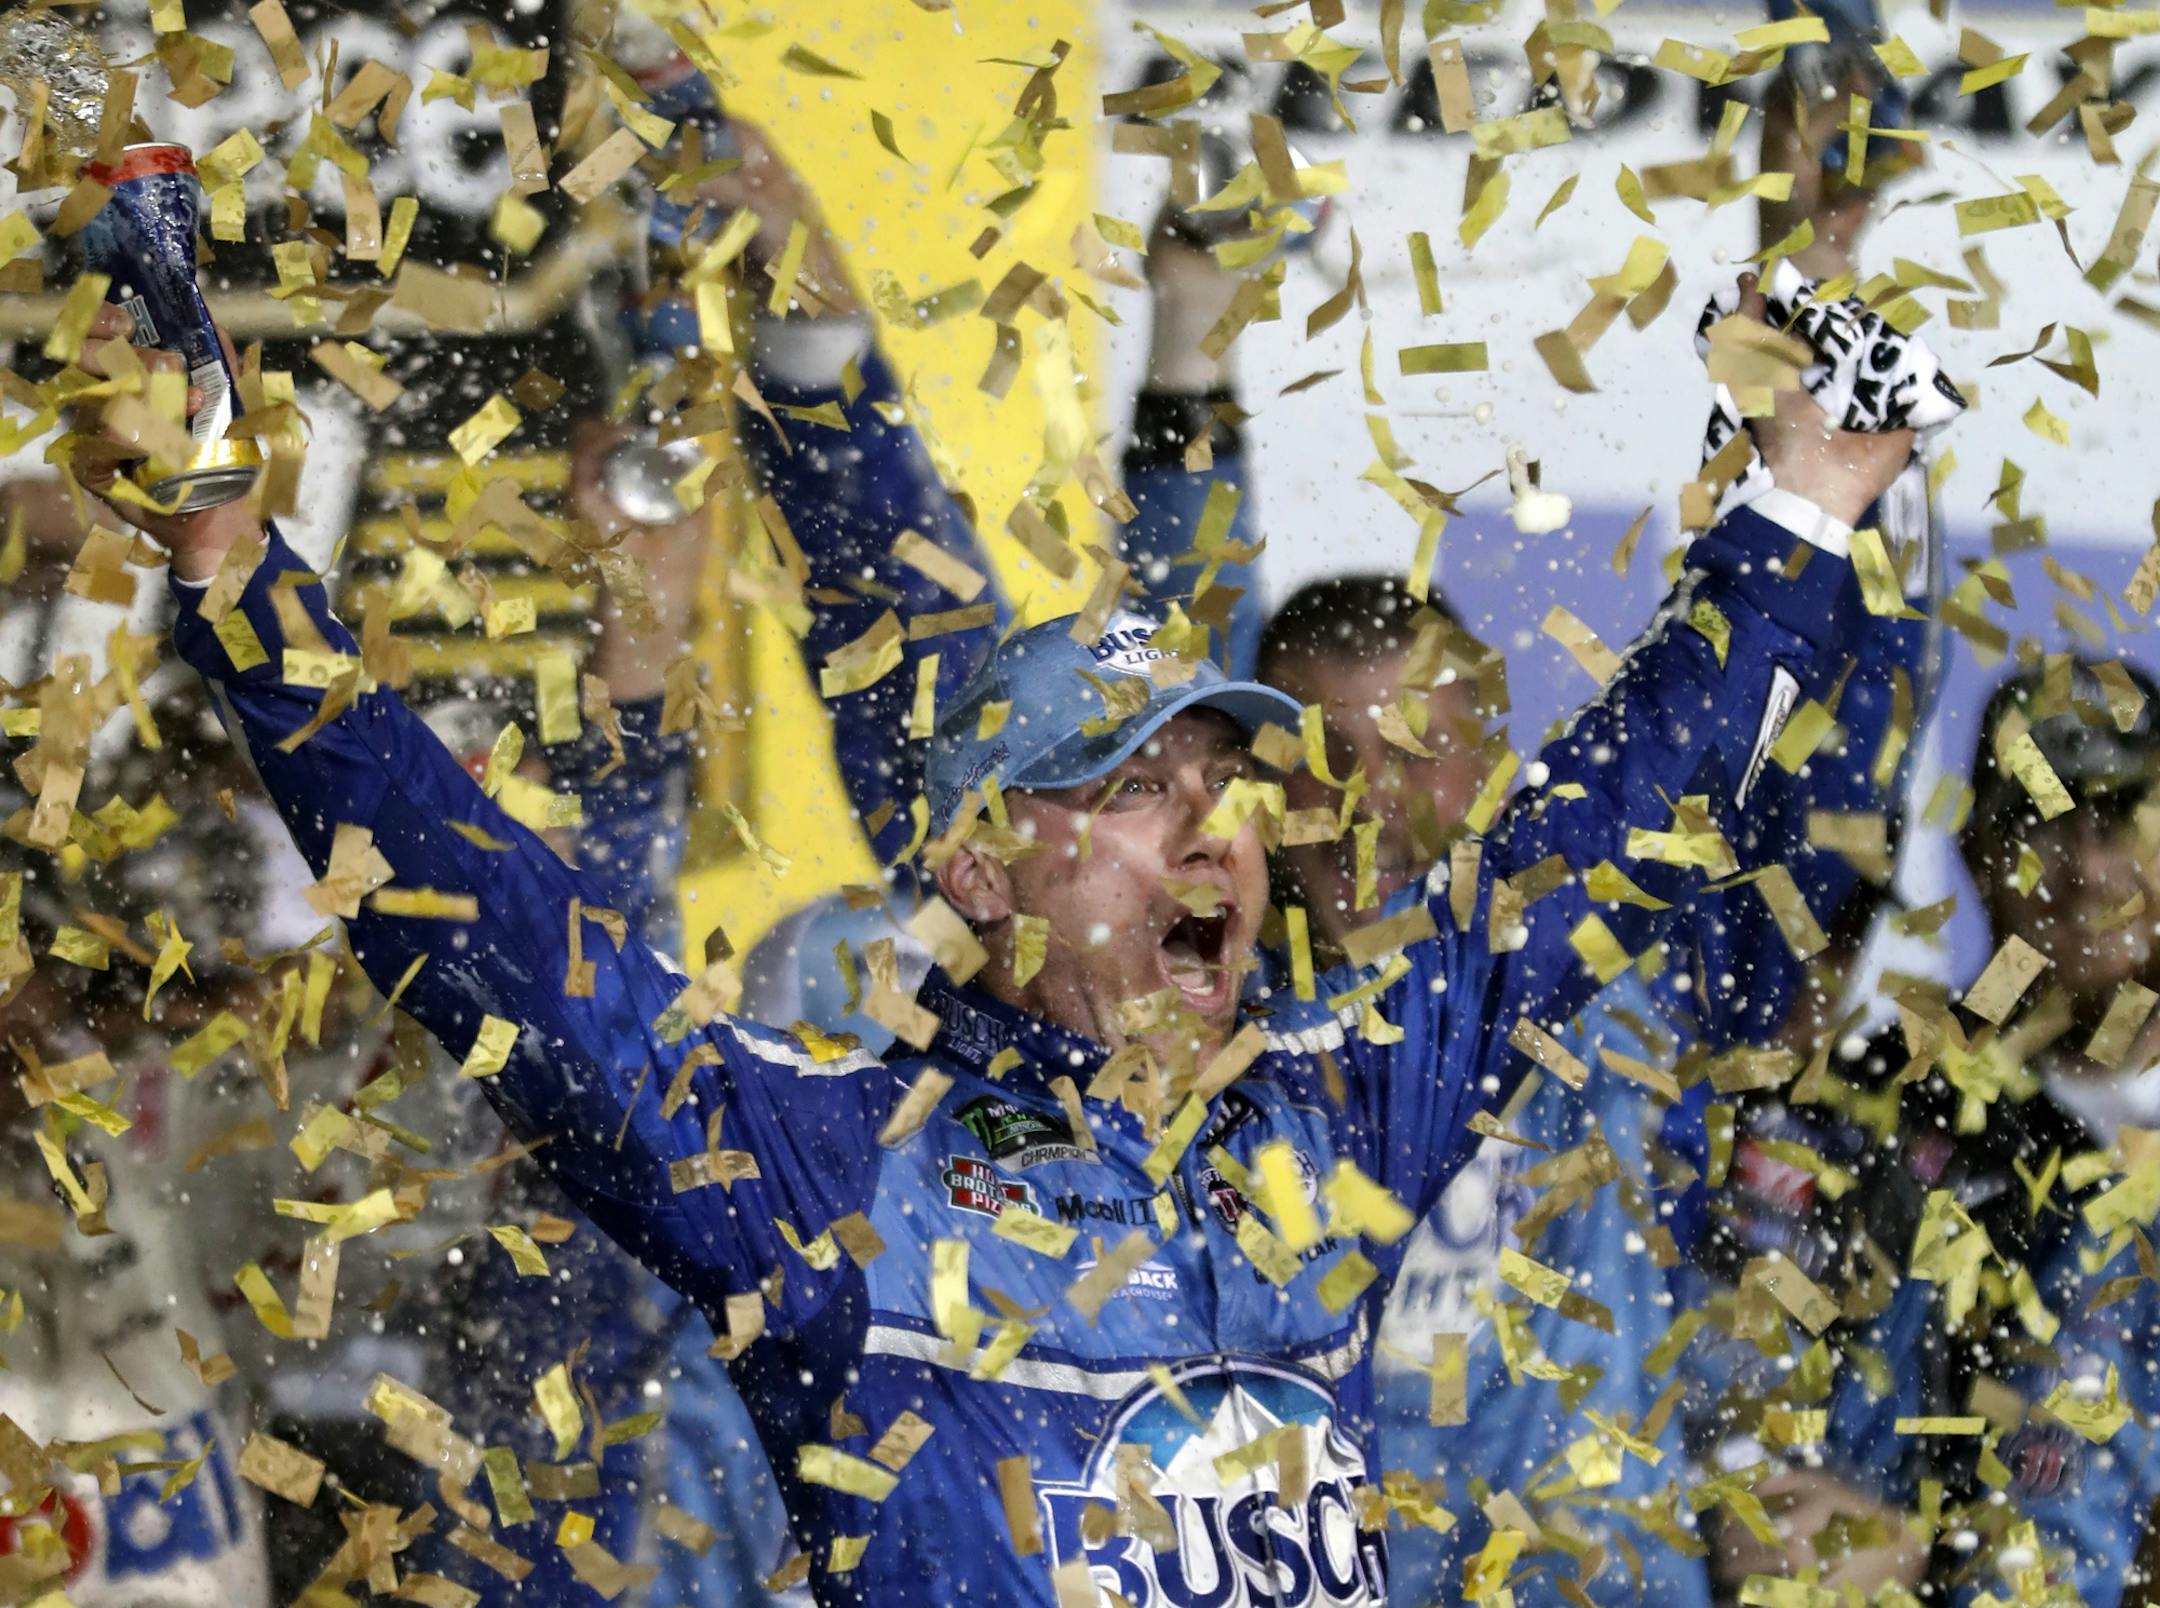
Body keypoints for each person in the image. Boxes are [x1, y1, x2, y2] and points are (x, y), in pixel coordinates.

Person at [60, 194, 1930, 1604]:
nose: (1210, 836)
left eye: (1224, 790)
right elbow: (485, 917)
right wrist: (232, 567)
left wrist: (1812, 507)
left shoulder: (1340, 1111)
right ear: (971, 861)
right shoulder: (814, 1166)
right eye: (1130, 790)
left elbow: (1605, 820)